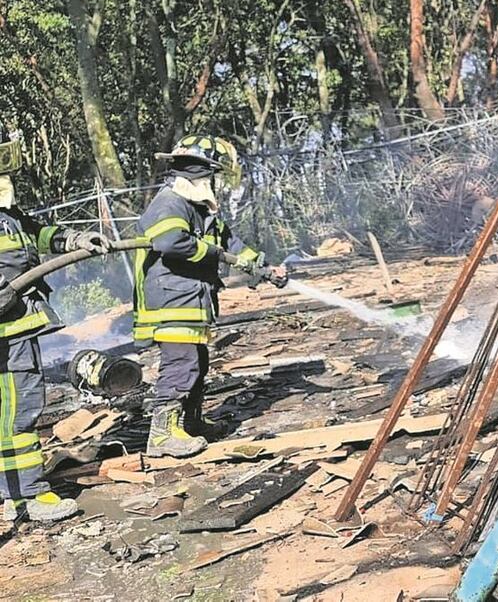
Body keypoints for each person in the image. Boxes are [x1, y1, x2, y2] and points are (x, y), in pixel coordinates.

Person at [134, 134, 286, 458]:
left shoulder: (200, 208)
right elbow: (170, 243)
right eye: (211, 174)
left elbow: (232, 246)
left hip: (191, 300)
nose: (213, 182)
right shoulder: (170, 201)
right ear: (198, 172)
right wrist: (213, 253)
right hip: (171, 301)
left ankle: (190, 423)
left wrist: (264, 268)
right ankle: (162, 436)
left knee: (197, 365)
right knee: (180, 365)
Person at [0, 135, 112, 521]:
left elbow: (38, 233)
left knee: (20, 409)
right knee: (18, 414)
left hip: (18, 329)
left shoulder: (8, 215)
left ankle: (19, 492)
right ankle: (26, 495)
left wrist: (76, 238)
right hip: (5, 336)